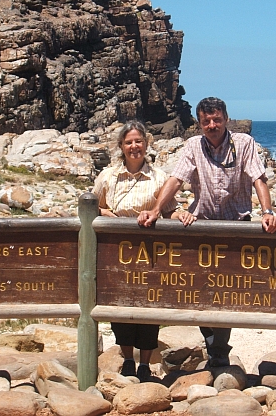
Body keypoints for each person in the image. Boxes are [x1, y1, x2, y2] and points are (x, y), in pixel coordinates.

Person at [137, 97, 276, 367]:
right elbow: (176, 178)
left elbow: (258, 178)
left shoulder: (244, 144)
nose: (212, 125)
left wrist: (268, 212)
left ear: (226, 118)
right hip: (201, 226)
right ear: (199, 124)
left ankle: (219, 351)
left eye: (216, 119)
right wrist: (157, 210)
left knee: (228, 291)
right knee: (201, 289)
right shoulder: (193, 145)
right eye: (206, 121)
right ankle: (211, 341)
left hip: (234, 227)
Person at [93, 120, 178, 382]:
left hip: (151, 254)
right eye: (129, 142)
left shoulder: (160, 178)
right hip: (116, 253)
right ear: (121, 146)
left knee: (149, 305)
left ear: (146, 144)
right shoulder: (107, 177)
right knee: (120, 306)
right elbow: (90, 206)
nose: (134, 147)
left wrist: (182, 215)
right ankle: (128, 359)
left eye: (138, 141)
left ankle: (144, 363)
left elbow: (170, 210)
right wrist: (105, 213)